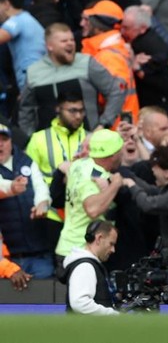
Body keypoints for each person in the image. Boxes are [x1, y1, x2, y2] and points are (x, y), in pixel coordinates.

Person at [19, 22, 125, 136]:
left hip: (87, 140)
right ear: (49, 46)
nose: (70, 44)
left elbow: (116, 90)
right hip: (49, 146)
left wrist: (103, 125)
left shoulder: (87, 63)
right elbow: (26, 110)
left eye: (72, 40)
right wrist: (29, 139)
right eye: (64, 41)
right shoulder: (34, 72)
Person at [54, 130, 124, 271]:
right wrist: (116, 184)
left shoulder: (79, 165)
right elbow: (92, 209)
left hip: (68, 246)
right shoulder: (94, 174)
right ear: (113, 155)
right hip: (82, 250)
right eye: (120, 151)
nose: (122, 155)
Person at [0, 123, 52, 278]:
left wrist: (42, 204)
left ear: (11, 141)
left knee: (45, 298)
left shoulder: (26, 161)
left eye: (4, 139)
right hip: (8, 257)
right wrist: (12, 187)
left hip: (39, 252)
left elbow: (41, 187)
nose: (0, 144)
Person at [25, 91, 88, 186]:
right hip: (50, 196)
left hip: (84, 194)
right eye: (72, 111)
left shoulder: (91, 138)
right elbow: (29, 175)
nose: (78, 116)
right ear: (58, 109)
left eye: (81, 111)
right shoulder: (38, 139)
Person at [63, 220, 118, 315]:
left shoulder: (88, 265)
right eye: (111, 244)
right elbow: (80, 304)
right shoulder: (85, 266)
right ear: (99, 238)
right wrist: (114, 315)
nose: (113, 250)